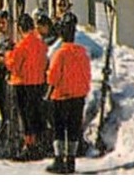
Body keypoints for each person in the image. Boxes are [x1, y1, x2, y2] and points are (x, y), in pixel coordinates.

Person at [46, 18, 94, 173]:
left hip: (61, 96)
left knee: (59, 128)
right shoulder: (83, 52)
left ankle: (59, 160)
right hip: (78, 97)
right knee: (74, 128)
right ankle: (71, 160)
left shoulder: (59, 54)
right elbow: (87, 74)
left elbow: (53, 76)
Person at [4, 13, 48, 160]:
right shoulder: (41, 44)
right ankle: (39, 144)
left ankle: (29, 146)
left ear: (21, 28)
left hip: (23, 83)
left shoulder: (21, 46)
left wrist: (8, 53)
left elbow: (13, 66)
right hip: (39, 83)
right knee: (36, 115)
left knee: (26, 117)